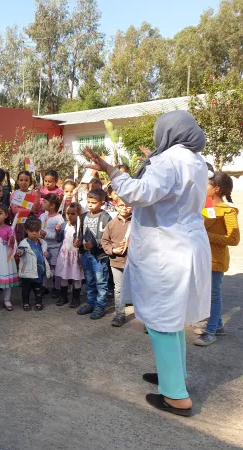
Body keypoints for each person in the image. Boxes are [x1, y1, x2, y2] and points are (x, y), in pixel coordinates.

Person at [84, 110, 211, 416]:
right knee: (173, 320)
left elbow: (138, 193)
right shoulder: (193, 159)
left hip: (167, 250)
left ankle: (177, 396)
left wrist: (110, 170)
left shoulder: (169, 160)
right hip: (183, 245)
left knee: (161, 322)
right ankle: (174, 377)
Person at [194, 171, 240, 346]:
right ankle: (218, 326)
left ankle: (211, 331)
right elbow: (207, 223)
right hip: (203, 258)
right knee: (206, 295)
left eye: (207, 185)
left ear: (217, 189)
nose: (203, 187)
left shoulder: (228, 211)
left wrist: (207, 235)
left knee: (214, 295)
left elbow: (234, 239)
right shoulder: (208, 205)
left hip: (216, 260)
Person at [74, 188, 112, 319]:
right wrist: (77, 240)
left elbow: (109, 237)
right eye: (88, 202)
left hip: (99, 256)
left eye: (93, 202)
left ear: (102, 203)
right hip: (86, 254)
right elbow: (78, 232)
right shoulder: (84, 216)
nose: (90, 204)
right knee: (89, 281)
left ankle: (100, 306)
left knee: (101, 282)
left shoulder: (106, 217)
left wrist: (95, 244)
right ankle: (90, 303)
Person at [101, 195, 133, 327]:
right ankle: (120, 314)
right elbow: (105, 241)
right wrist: (113, 250)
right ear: (116, 206)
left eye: (127, 205)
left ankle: (146, 319)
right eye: (121, 205)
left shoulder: (137, 222)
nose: (124, 208)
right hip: (117, 262)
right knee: (118, 289)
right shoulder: (112, 224)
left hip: (135, 263)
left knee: (139, 290)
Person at [17, 217, 50, 311]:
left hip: (39, 271)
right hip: (27, 271)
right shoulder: (23, 243)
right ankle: (26, 303)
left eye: (36, 230)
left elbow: (48, 255)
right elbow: (21, 252)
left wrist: (48, 255)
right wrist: (20, 252)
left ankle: (39, 302)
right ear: (26, 230)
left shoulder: (43, 243)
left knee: (38, 289)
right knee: (26, 289)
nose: (34, 233)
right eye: (31, 231)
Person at [54, 203, 84, 308]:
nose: (69, 216)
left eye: (73, 213)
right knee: (64, 275)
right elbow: (58, 239)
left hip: (75, 255)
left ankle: (76, 298)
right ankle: (63, 296)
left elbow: (83, 240)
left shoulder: (81, 227)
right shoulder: (63, 225)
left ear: (78, 214)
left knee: (77, 277)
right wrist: (57, 231)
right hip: (64, 254)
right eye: (67, 213)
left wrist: (80, 243)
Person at [40, 193, 65, 298]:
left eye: (45, 202)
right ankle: (45, 286)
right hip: (43, 246)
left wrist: (46, 234)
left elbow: (59, 236)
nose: (42, 203)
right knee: (45, 267)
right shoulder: (42, 215)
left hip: (54, 248)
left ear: (52, 205)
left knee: (55, 268)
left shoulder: (59, 219)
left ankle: (57, 287)